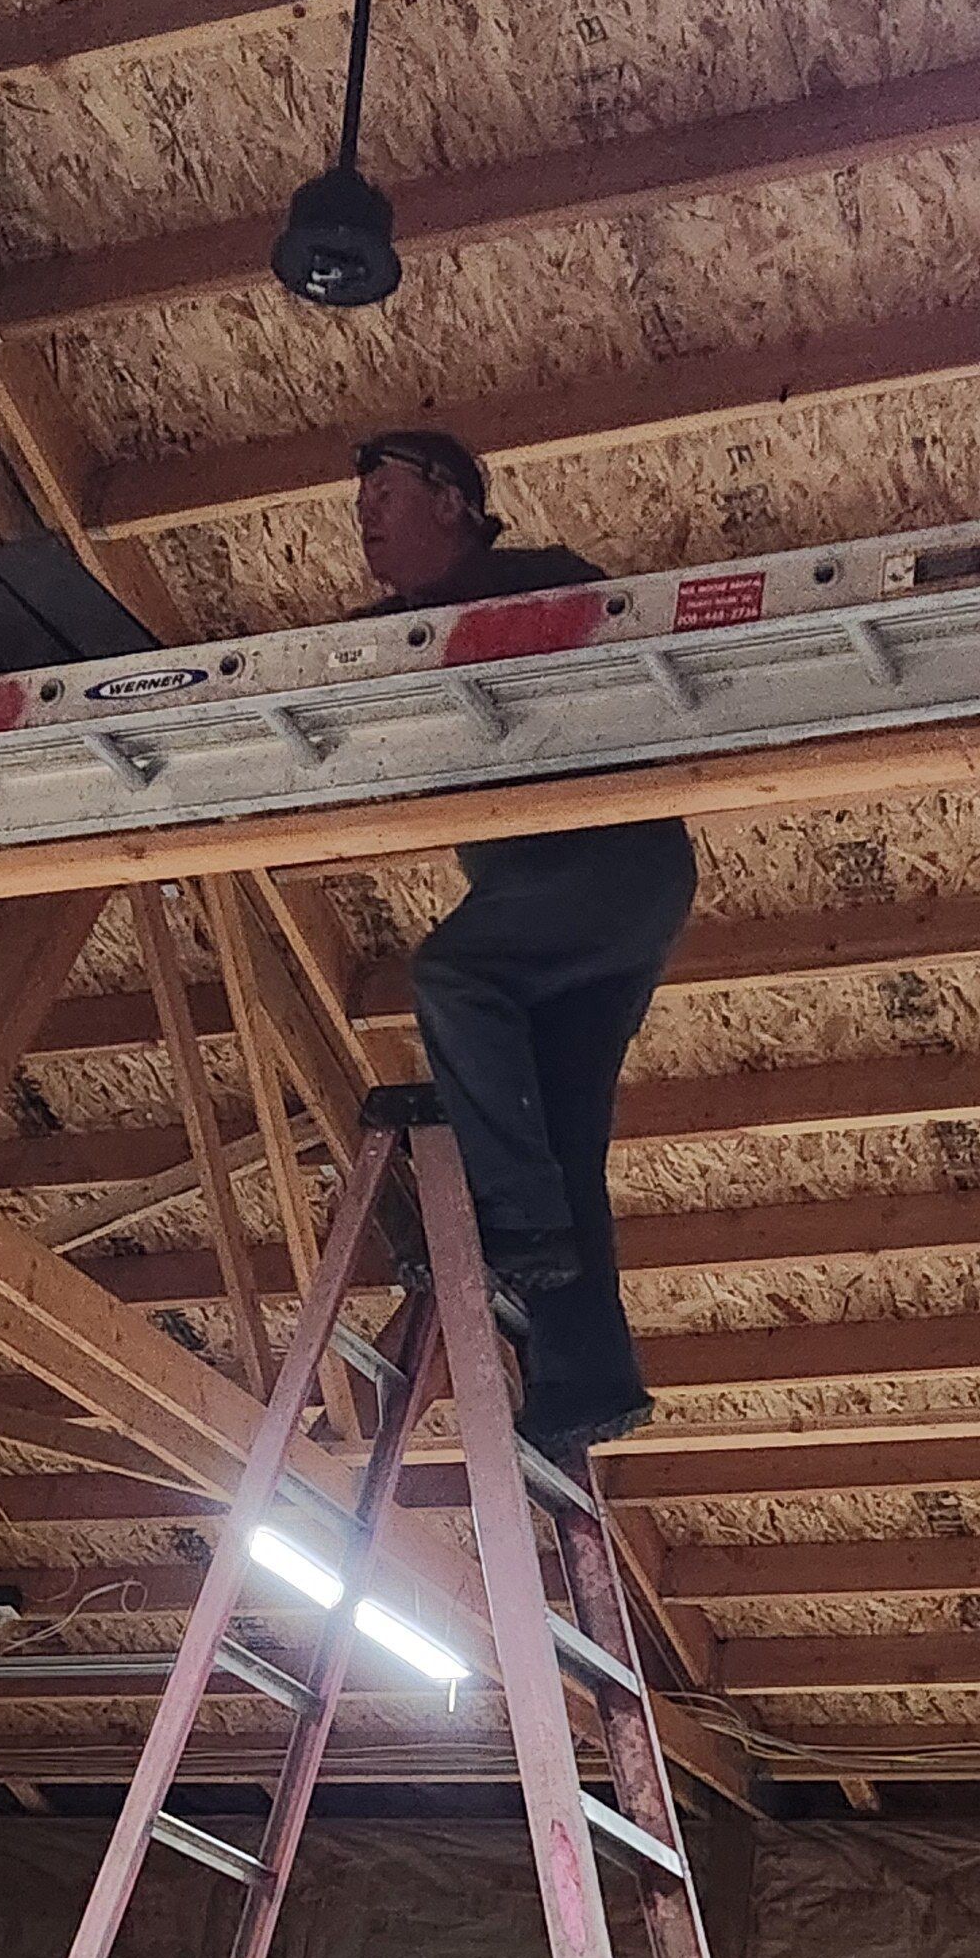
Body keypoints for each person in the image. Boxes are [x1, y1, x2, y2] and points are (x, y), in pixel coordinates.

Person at [353, 427, 696, 1461]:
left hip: (606, 869)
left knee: (458, 972)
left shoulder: (536, 583)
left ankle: (516, 1224)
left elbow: (601, 632)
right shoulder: (398, 632)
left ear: (452, 503)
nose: (362, 516)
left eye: (383, 493)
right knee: (561, 1131)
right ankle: (586, 1384)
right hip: (593, 895)